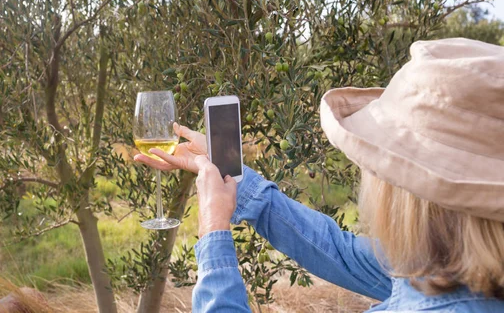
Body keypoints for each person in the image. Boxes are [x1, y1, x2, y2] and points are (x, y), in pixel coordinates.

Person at [135, 38, 504, 312]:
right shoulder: (445, 267)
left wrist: (214, 227)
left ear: (410, 192)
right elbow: (337, 251)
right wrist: (231, 171)